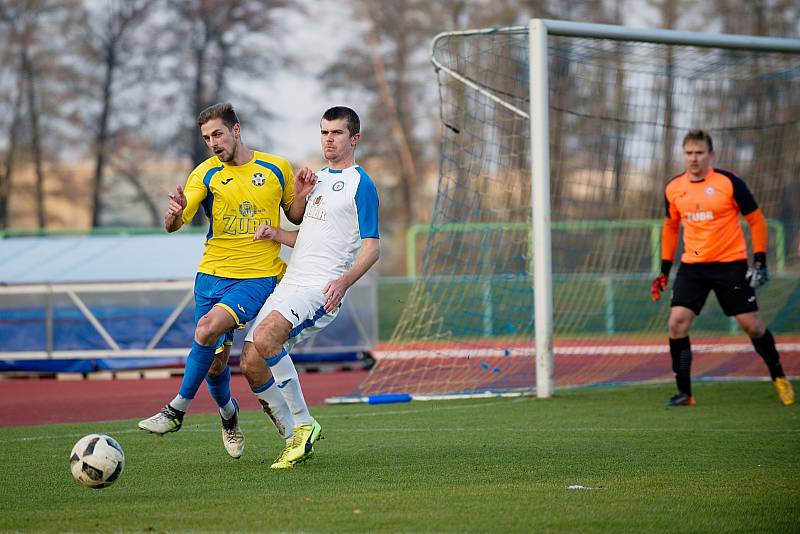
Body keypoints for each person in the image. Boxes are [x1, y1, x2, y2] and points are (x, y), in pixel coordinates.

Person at [137, 102, 316, 459]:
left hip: (256, 275)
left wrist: (299, 194)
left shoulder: (275, 166)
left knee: (206, 329)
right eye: (206, 137)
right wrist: (172, 215)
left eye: (218, 134)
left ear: (236, 130)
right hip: (211, 276)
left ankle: (175, 410)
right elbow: (176, 223)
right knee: (215, 363)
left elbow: (294, 216)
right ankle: (229, 415)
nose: (213, 142)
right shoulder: (204, 174)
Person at [239, 106, 380, 468]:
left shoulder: (361, 185)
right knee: (251, 361)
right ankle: (293, 438)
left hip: (320, 288)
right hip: (291, 282)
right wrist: (278, 229)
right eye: (324, 132)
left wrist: (344, 281)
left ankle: (304, 424)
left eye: (336, 133)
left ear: (355, 138)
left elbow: (372, 248)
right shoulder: (317, 177)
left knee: (268, 337)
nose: (328, 139)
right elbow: (304, 232)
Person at [651, 129, 795, 407]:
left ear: (711, 155)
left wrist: (760, 261)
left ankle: (779, 377)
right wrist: (664, 271)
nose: (694, 159)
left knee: (751, 326)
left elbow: (756, 221)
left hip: (730, 265)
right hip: (693, 267)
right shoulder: (673, 188)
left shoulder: (729, 183)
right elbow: (670, 229)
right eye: (689, 153)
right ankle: (685, 393)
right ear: (684, 155)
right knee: (676, 323)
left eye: (699, 153)